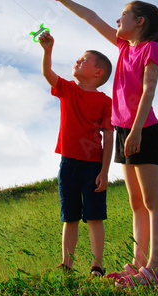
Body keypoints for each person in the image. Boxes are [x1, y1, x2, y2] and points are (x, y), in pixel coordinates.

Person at [39, 0, 158, 288]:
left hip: (143, 130)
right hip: (125, 130)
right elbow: (91, 16)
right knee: (136, 202)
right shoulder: (124, 46)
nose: (116, 21)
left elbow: (149, 89)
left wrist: (136, 130)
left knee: (153, 201)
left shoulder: (150, 48)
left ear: (139, 22)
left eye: (123, 15)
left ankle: (155, 268)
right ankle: (139, 264)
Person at [38, 29, 114, 277]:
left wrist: (104, 171)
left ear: (97, 72)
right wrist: (48, 51)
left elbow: (109, 136)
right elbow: (48, 74)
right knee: (69, 217)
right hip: (68, 164)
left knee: (94, 217)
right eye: (78, 58)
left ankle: (97, 266)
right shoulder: (67, 89)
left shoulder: (105, 102)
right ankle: (67, 265)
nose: (78, 60)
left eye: (84, 59)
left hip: (93, 166)